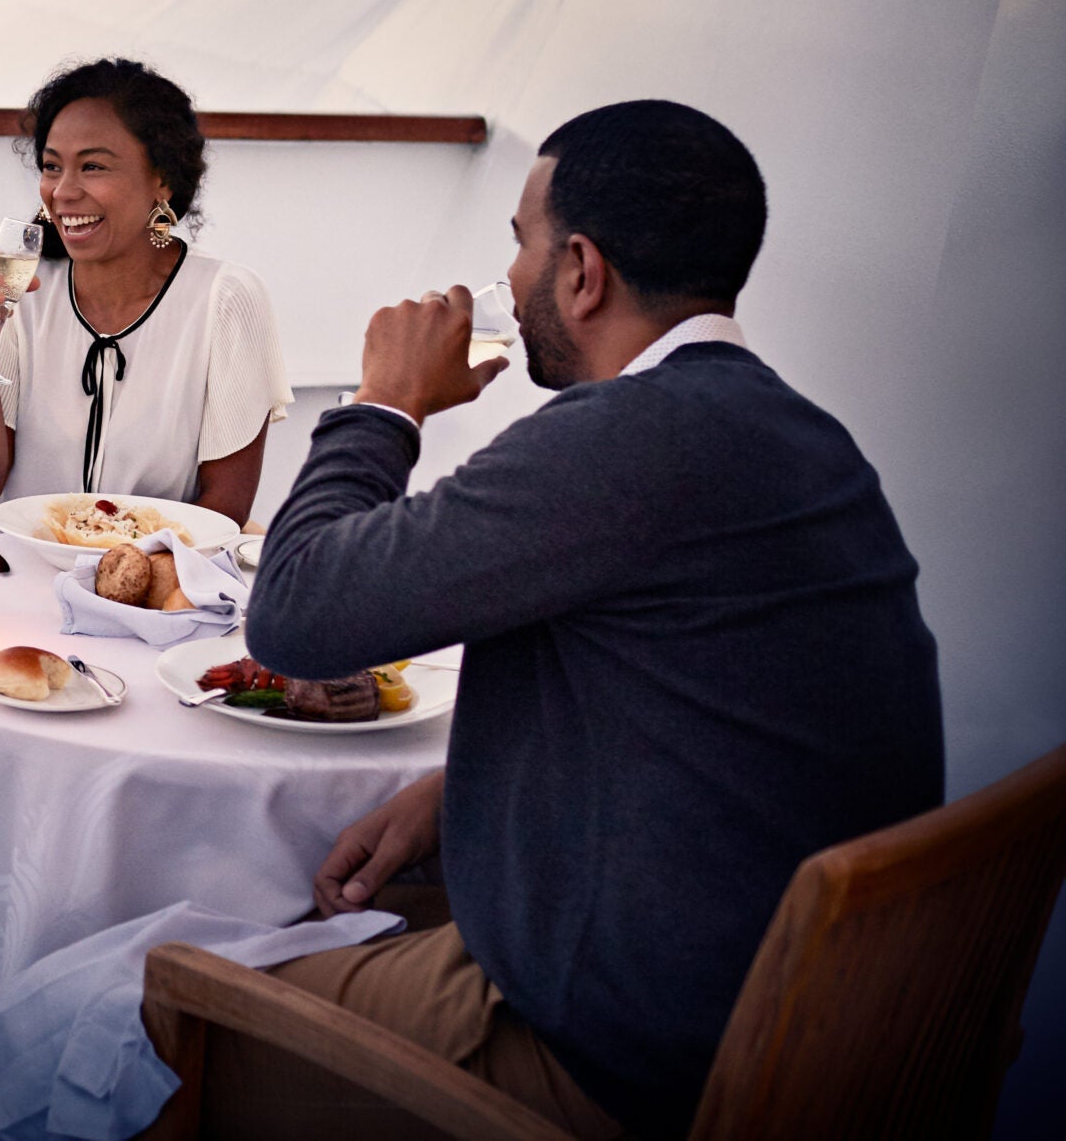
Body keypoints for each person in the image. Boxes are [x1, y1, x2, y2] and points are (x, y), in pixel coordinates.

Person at [231, 99, 943, 1138]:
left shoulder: (620, 442)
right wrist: (458, 791)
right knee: (312, 909)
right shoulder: (805, 437)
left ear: (580, 270)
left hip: (620, 1067)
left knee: (139, 1014)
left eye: (521, 243)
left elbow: (295, 611)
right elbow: (726, 718)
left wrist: (384, 403)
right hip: (813, 1034)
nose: (509, 276)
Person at [0, 58, 290, 523]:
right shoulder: (19, 289)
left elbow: (224, 508)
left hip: (159, 564)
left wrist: (124, 563)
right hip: (21, 558)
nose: (62, 192)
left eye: (93, 166)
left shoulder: (224, 300)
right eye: (51, 166)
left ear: (162, 179)